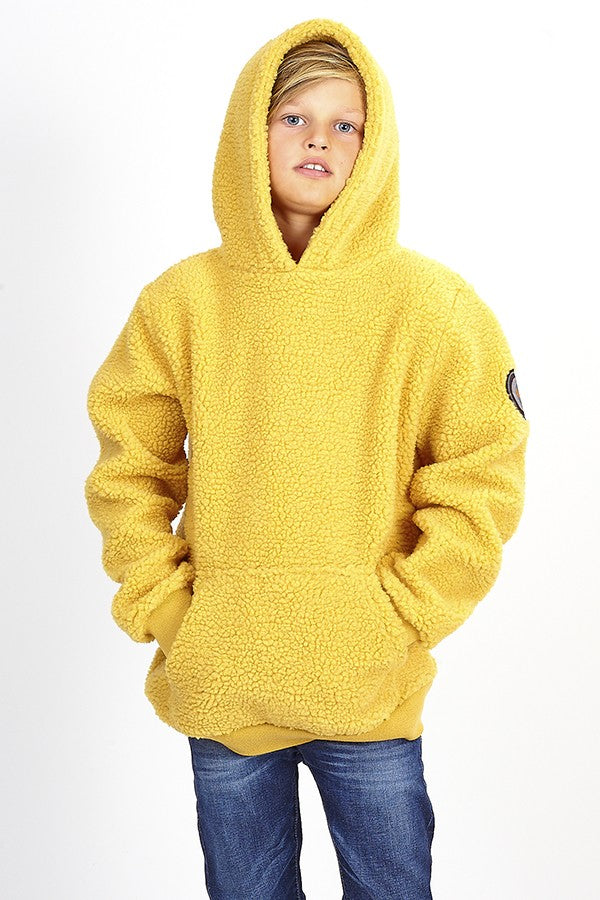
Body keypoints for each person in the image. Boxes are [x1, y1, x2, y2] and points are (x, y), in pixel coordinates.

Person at [84, 17, 530, 899]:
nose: (318, 138)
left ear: (374, 145)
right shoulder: (182, 301)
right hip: (224, 680)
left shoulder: (433, 306)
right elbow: (128, 468)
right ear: (249, 133)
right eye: (293, 116)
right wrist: (173, 614)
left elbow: (482, 472)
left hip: (371, 689)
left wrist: (402, 615)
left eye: (344, 123)